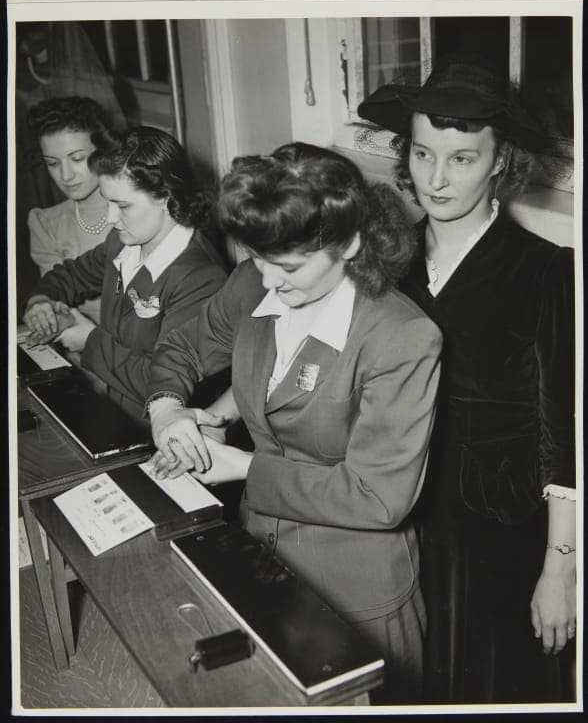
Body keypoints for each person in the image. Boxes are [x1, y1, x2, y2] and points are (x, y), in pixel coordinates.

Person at [144, 142, 442, 702]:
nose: (269, 281)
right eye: (256, 259)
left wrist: (242, 467)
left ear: (350, 243)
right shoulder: (256, 278)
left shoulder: (402, 338)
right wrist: (170, 411)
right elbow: (182, 346)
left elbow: (379, 498)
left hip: (355, 596)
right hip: (263, 563)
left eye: (289, 267)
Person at [357, 56, 576, 703]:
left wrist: (561, 569)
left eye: (462, 159)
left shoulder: (546, 271)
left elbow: (564, 426)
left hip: (500, 523)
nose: (437, 179)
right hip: (403, 503)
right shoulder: (390, 263)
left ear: (500, 162)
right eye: (424, 155)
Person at [23, 126, 229, 422]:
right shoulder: (122, 242)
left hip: (160, 433)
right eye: (108, 201)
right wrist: (41, 302)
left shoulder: (201, 278)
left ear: (166, 197)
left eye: (122, 205)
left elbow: (163, 384)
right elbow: (70, 276)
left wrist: (89, 340)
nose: (110, 218)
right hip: (116, 410)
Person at [26, 96, 116, 323]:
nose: (65, 175)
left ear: (104, 151)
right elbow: (57, 303)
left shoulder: (136, 215)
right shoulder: (46, 224)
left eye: (77, 159)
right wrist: (40, 307)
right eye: (52, 163)